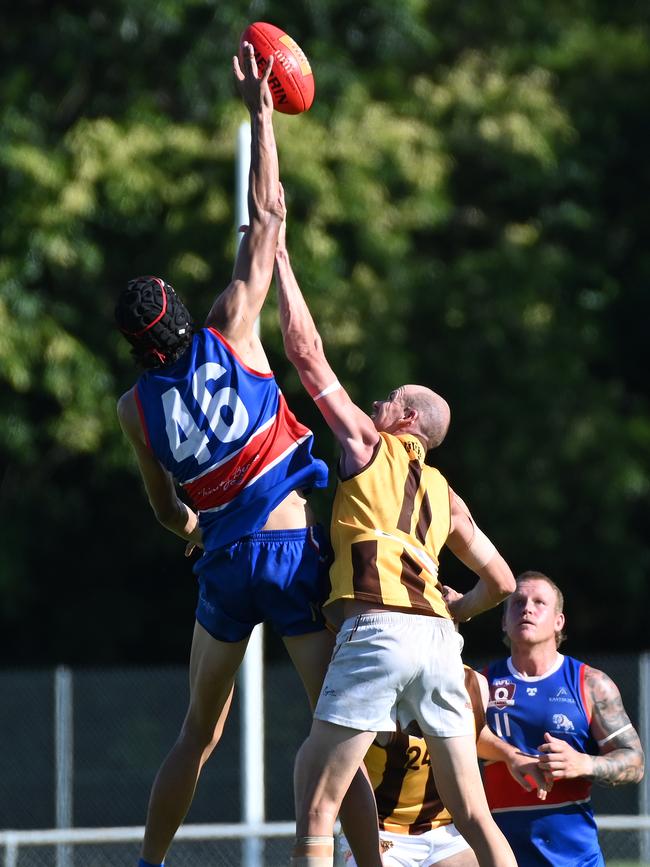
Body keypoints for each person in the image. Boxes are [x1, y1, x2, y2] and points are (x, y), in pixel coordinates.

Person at [115, 46, 378, 867]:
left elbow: (164, 508)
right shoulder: (232, 325)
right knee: (333, 729)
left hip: (225, 561)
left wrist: (191, 524)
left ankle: (148, 864)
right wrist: (261, 114)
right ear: (184, 315)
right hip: (291, 545)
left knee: (198, 731)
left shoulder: (134, 408)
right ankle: (370, 866)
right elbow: (268, 218)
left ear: (133, 345)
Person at [273, 216, 519, 867]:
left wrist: (278, 259)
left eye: (387, 399)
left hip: (377, 631)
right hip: (440, 638)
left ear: (406, 417)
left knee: (317, 799)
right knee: (475, 815)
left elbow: (305, 351)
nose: (377, 404)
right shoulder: (448, 496)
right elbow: (503, 582)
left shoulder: (366, 444)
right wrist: (461, 607)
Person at [476, 570, 645, 867]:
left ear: (558, 622)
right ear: (504, 620)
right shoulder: (481, 684)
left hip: (574, 858)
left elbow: (635, 763)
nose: (527, 608)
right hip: (499, 855)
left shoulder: (590, 683)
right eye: (517, 602)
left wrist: (583, 763)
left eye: (539, 602)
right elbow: (455, 746)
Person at [338, 666, 489, 867]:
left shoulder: (473, 682)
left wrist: (514, 757)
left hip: (447, 831)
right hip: (383, 832)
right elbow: (332, 757)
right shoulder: (374, 683)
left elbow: (475, 739)